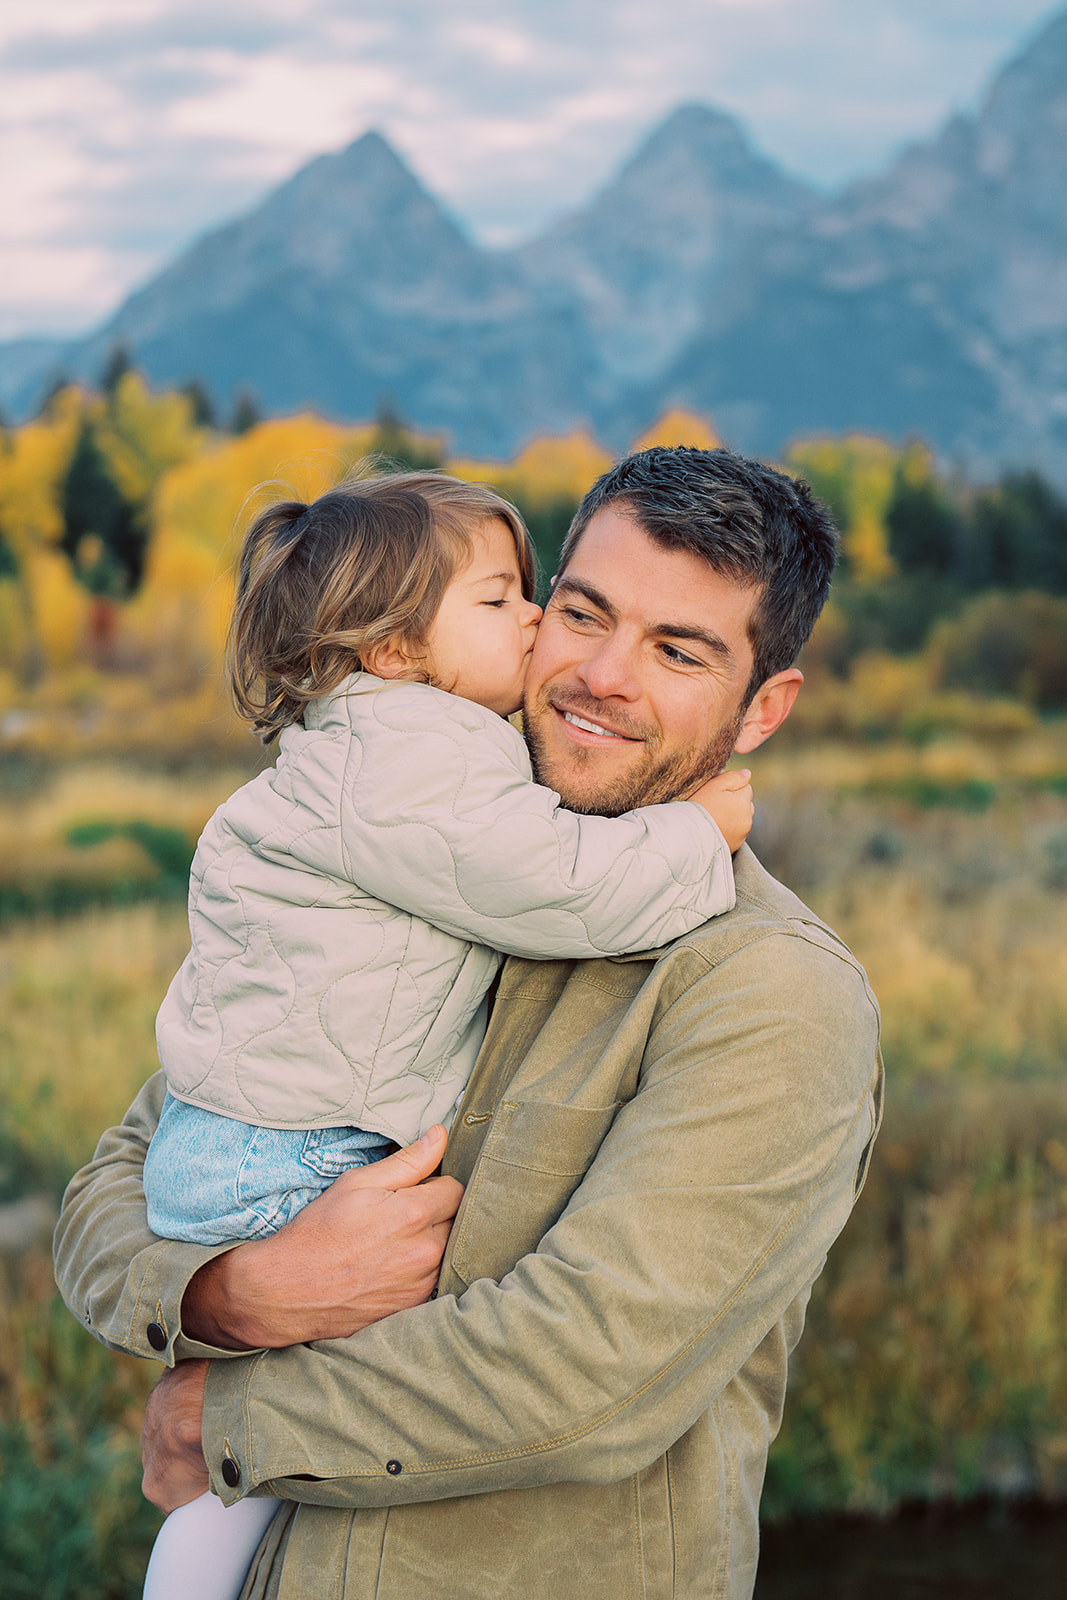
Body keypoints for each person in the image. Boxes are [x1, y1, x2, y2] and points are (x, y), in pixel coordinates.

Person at [54, 446, 883, 1600]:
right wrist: (231, 1292)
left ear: (760, 710)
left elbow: (584, 1370)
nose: (599, 674)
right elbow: (123, 1169)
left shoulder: (770, 992)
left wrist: (227, 1411)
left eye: (677, 651)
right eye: (579, 613)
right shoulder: (411, 853)